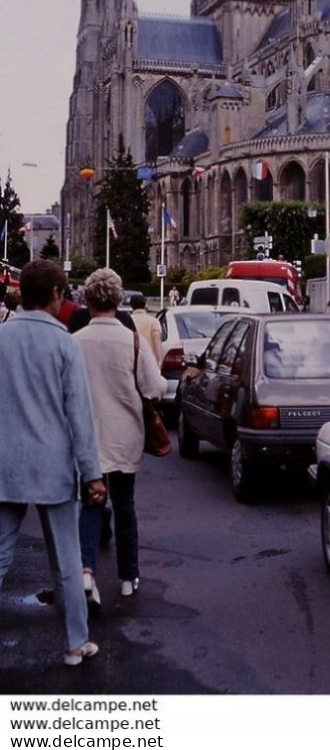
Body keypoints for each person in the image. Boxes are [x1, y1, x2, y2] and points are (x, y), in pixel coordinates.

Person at [0, 260, 106, 666]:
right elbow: (80, 417)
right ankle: (75, 645)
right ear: (58, 295)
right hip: (53, 468)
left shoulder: (3, 338)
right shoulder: (65, 344)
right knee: (65, 560)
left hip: (7, 463)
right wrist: (93, 473)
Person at [74, 269, 164, 605]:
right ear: (118, 300)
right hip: (125, 435)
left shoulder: (75, 342)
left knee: (91, 504)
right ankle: (128, 577)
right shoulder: (132, 340)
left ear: (87, 300)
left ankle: (86, 571)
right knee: (125, 505)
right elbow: (155, 388)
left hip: (87, 437)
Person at [129, 293, 162, 364]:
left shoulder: (128, 321)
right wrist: (158, 361)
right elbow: (156, 342)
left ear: (132, 306)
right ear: (145, 305)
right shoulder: (153, 321)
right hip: (149, 361)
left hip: (131, 361)